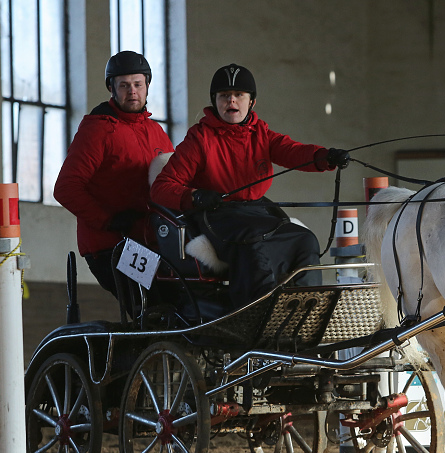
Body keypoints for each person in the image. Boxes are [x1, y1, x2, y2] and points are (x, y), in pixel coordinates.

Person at [150, 63, 350, 308]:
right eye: (224, 96)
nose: (231, 101)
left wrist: (326, 157)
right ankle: (259, 316)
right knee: (255, 245)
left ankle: (306, 311)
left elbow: (293, 151)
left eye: (239, 95)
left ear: (251, 102)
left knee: (305, 240)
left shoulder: (261, 133)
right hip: (219, 216)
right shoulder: (199, 138)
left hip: (257, 212)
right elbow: (161, 188)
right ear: (215, 101)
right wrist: (195, 196)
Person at [55, 50, 174, 296]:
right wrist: (108, 220)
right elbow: (66, 188)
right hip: (114, 245)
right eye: (124, 85)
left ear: (147, 85)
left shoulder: (157, 133)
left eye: (138, 84)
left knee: (183, 297)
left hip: (150, 241)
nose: (132, 91)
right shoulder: (97, 131)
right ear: (112, 88)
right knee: (160, 301)